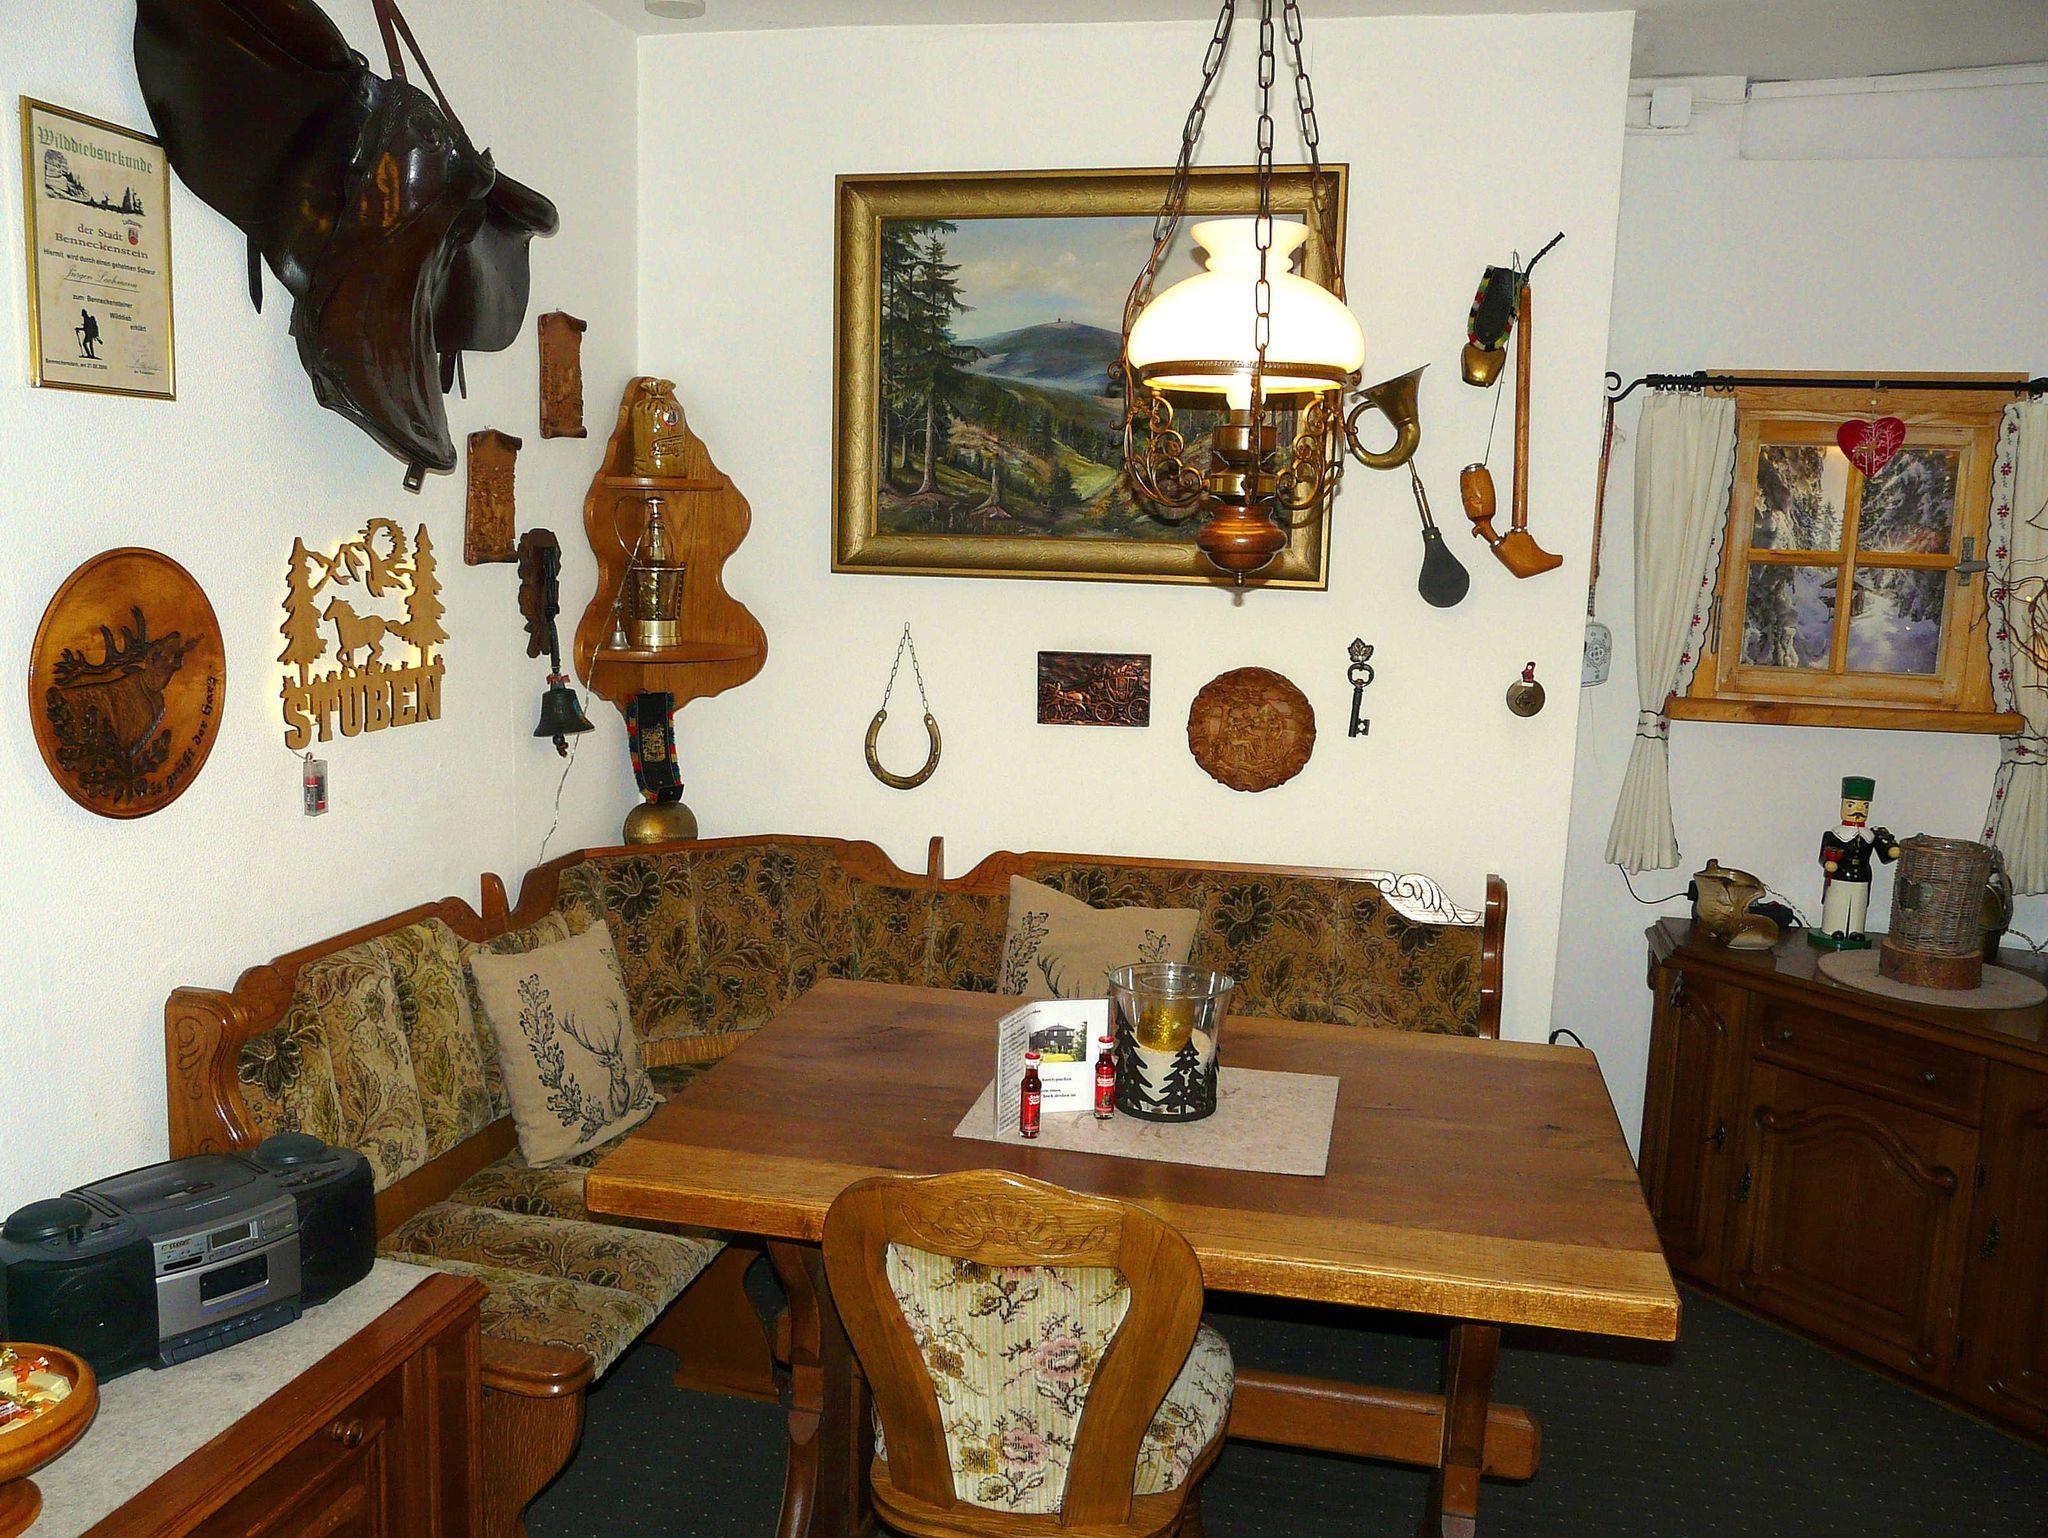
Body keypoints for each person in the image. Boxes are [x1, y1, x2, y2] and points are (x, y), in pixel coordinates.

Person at [1811, 775, 1900, 950]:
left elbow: (1885, 856)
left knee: (1858, 904)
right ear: (1843, 805)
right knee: (1838, 902)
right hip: (1839, 877)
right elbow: (1824, 855)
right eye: (1851, 805)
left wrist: (1891, 851)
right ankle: (1833, 929)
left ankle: (1855, 930)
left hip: (1862, 877)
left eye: (1864, 806)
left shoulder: (1871, 834)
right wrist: (1828, 863)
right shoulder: (1834, 834)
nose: (1859, 810)